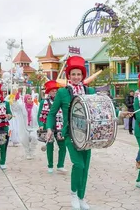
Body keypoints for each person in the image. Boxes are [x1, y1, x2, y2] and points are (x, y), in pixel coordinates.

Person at [46, 56, 129, 210]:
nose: (76, 77)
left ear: (83, 76)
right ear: (68, 76)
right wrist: (50, 128)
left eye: (79, 74)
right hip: (70, 134)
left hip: (87, 135)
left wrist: (120, 113)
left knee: (85, 166)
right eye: (73, 74)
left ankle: (81, 197)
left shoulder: (89, 91)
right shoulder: (62, 93)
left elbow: (102, 108)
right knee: (78, 164)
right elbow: (51, 113)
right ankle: (73, 193)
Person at [38, 80, 67, 174]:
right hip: (48, 126)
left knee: (62, 146)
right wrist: (41, 125)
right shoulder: (44, 102)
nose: (54, 92)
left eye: (56, 91)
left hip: (60, 126)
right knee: (49, 146)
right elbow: (40, 115)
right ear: (48, 92)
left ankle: (60, 165)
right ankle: (50, 166)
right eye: (52, 91)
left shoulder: (61, 101)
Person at [11, 92, 39, 160]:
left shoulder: (35, 106)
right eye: (28, 99)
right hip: (24, 126)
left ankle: (32, 151)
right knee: (24, 139)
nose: (30, 100)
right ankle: (27, 153)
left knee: (34, 137)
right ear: (25, 100)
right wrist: (15, 100)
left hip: (34, 126)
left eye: (30, 98)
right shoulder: (22, 106)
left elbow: (38, 114)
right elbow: (15, 108)